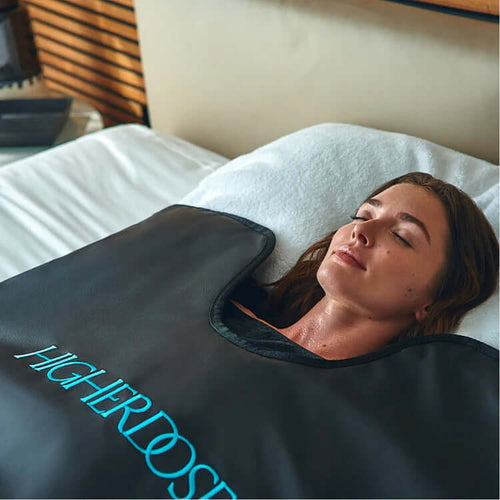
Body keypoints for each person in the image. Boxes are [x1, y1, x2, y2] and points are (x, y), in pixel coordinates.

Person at [231, 172, 499, 360]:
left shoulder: (367, 418)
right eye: (362, 215)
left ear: (435, 299)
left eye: (401, 236)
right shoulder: (220, 313)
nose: (361, 230)